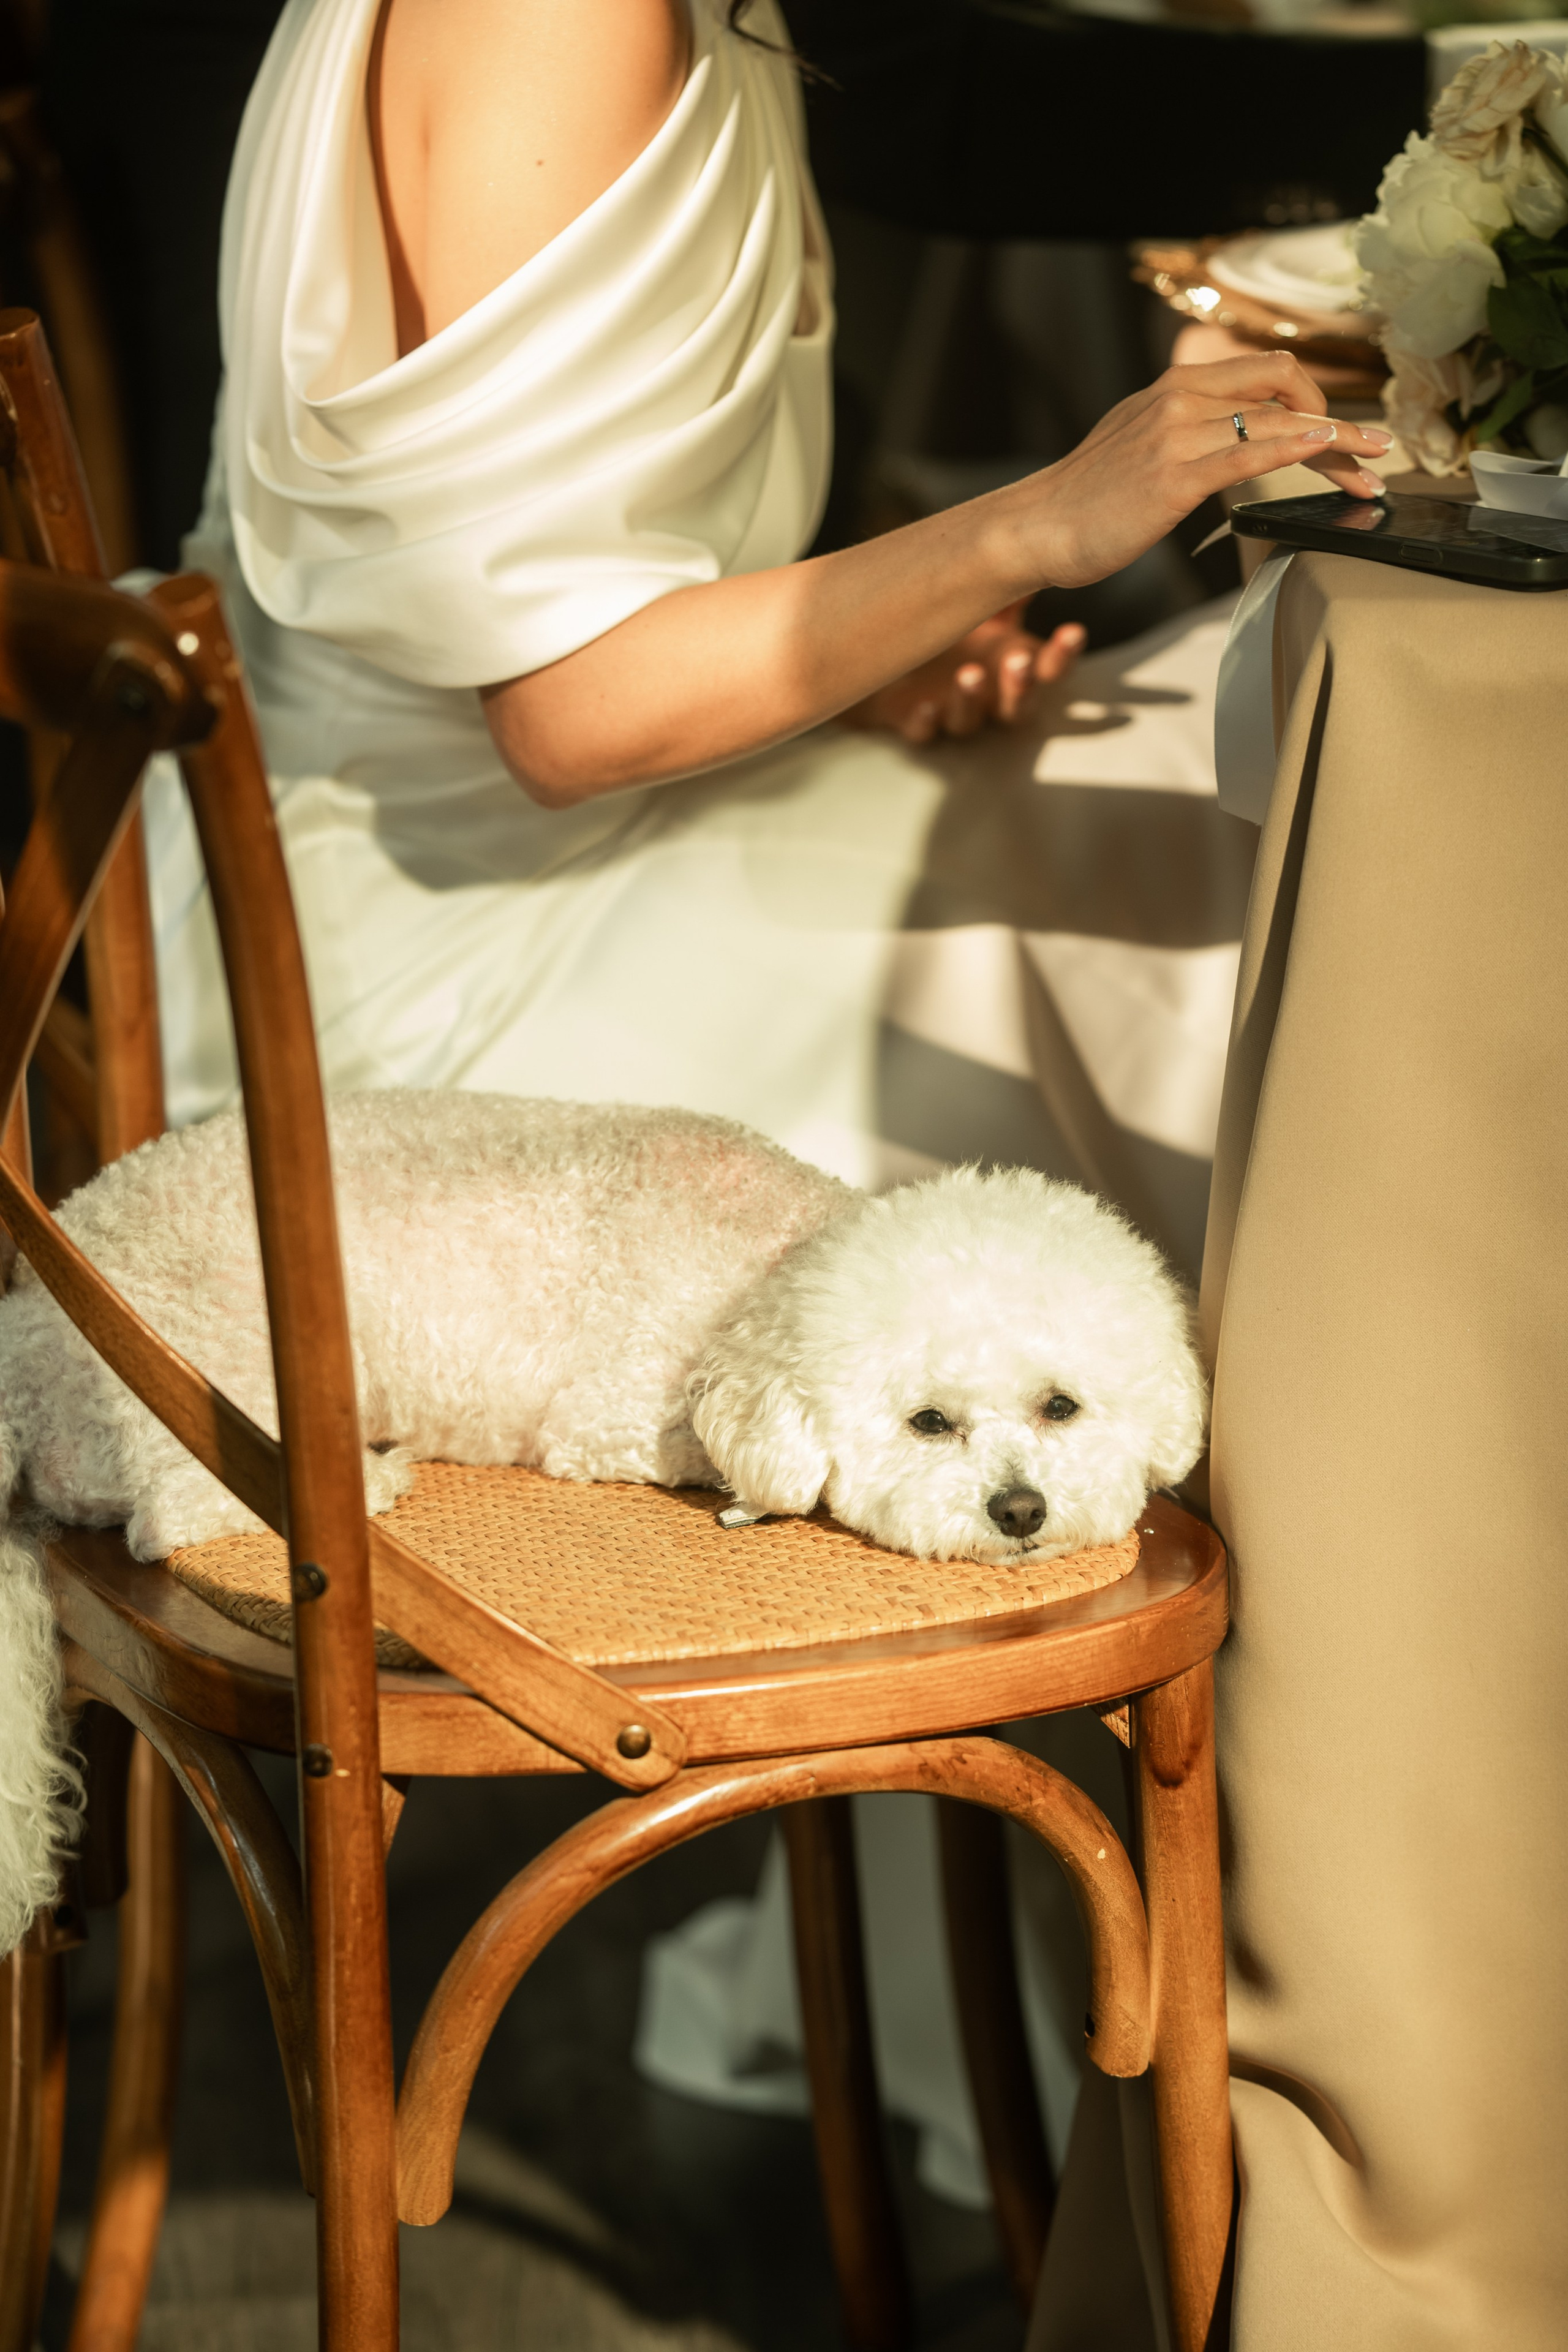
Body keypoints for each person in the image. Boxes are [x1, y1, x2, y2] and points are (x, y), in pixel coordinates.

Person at [141, 4, 1388, 2336]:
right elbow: (557, 714)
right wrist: (1042, 513)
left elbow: (571, 621)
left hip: (587, 847)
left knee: (1211, 832)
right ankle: (1281, 2015)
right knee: (1249, 979)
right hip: (435, 996)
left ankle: (1184, 1989)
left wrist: (880, 648)